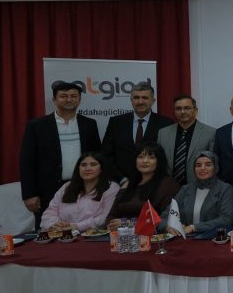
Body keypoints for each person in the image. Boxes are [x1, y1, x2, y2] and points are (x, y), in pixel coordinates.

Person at [20, 81, 102, 230]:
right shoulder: (37, 126)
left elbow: (97, 157)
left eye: (73, 96)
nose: (69, 99)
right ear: (54, 99)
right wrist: (29, 194)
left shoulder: (89, 124)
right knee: (49, 232)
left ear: (79, 99)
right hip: (48, 191)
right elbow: (27, 162)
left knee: (84, 230)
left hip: (84, 188)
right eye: (63, 96)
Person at [100, 82, 174, 183]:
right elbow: (106, 154)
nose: (140, 101)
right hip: (121, 183)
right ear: (131, 100)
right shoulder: (116, 122)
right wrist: (121, 179)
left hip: (154, 183)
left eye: (145, 98)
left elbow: (167, 158)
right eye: (136, 98)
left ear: (153, 101)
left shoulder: (166, 124)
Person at [105, 142, 180, 230]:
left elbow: (166, 219)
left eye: (151, 157)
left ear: (159, 161)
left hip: (152, 235)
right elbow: (111, 216)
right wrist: (113, 224)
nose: (145, 161)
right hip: (121, 234)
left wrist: (128, 223)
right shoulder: (129, 183)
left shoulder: (168, 185)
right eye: (140, 157)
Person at [40, 151, 119, 232]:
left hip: (94, 236)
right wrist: (54, 225)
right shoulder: (67, 186)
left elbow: (105, 217)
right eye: (83, 165)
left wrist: (76, 226)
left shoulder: (111, 187)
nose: (87, 168)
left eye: (93, 164)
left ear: (101, 169)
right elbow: (50, 212)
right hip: (63, 234)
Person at [161, 151, 233, 236]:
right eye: (198, 165)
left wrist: (194, 227)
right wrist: (169, 226)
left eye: (208, 165)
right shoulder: (186, 189)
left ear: (215, 168)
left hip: (213, 239)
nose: (202, 168)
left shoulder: (225, 189)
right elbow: (164, 217)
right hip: (186, 239)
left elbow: (226, 219)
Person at [157, 95, 216, 186]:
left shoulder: (210, 133)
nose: (183, 112)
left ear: (195, 110)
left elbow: (213, 165)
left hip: (199, 187)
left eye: (187, 108)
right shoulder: (163, 133)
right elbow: (159, 163)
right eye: (178, 108)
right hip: (169, 188)